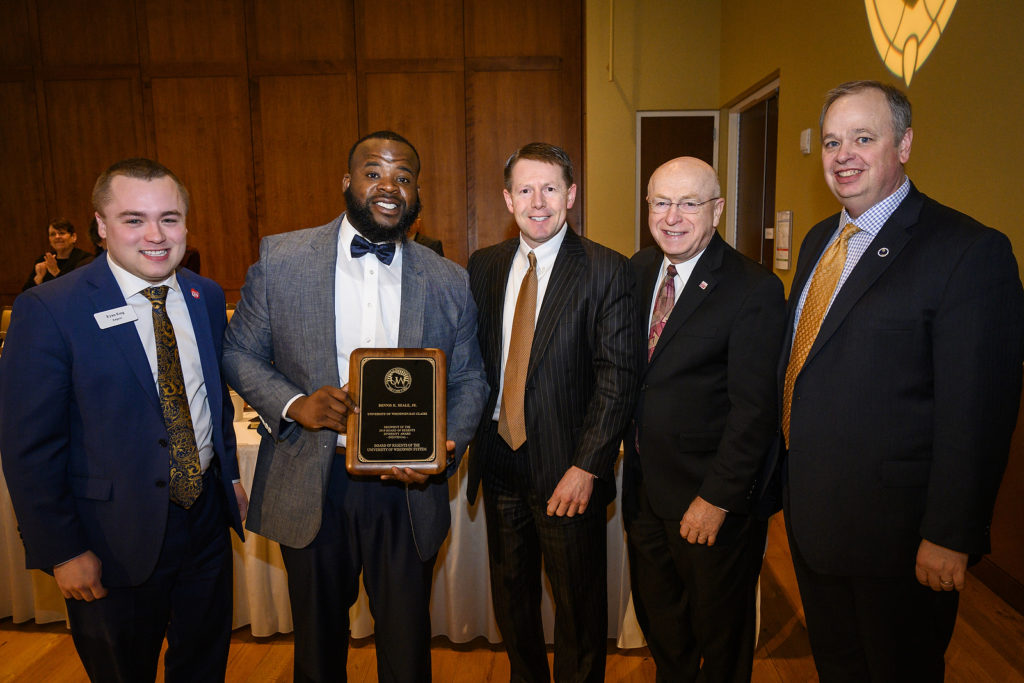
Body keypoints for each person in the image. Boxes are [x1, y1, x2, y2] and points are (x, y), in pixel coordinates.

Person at [763, 80, 1024, 682]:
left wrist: (950, 535)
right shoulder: (817, 242)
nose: (843, 154)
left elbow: (978, 412)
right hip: (815, 524)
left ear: (904, 145)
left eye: (863, 137)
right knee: (840, 667)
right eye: (832, 141)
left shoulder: (967, 252)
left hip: (900, 543)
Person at [222, 130, 488, 682]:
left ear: (416, 194)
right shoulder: (282, 258)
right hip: (314, 482)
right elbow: (239, 353)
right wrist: (295, 404)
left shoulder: (448, 279)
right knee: (317, 648)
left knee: (407, 648)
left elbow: (469, 381)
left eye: (404, 176)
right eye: (374, 172)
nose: (388, 186)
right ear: (348, 182)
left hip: (407, 487)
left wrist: (445, 446)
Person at [0, 158, 247, 682]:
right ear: (101, 224)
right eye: (134, 219)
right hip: (108, 538)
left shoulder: (204, 297)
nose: (156, 235)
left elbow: (211, 402)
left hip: (204, 525)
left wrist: (227, 477)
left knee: (204, 664)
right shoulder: (49, 308)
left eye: (170, 218)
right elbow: (29, 447)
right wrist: (62, 550)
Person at [467, 142, 637, 682]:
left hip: (569, 472)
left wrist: (588, 466)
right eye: (525, 189)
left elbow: (617, 380)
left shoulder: (606, 270)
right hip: (499, 463)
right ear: (507, 199)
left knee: (578, 608)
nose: (537, 201)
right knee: (511, 598)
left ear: (571, 194)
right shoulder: (485, 265)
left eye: (550, 188)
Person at [624, 157, 786, 682]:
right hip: (646, 494)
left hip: (710, 502)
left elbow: (755, 411)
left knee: (720, 639)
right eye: (661, 202)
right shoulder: (639, 269)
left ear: (716, 210)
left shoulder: (753, 288)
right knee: (663, 627)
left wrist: (716, 499)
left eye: (689, 203)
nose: (673, 216)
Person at [22, 218, 91, 289]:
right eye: (52, 234)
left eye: (61, 233)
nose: (57, 237)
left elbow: (79, 288)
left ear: (73, 237)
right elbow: (26, 294)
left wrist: (56, 272)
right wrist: (38, 279)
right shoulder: (43, 260)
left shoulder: (85, 260)